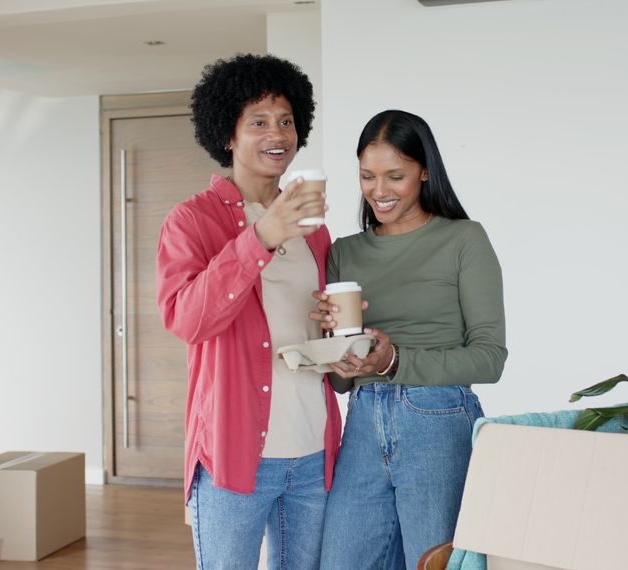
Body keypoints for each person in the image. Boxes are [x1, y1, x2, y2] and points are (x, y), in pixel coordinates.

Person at [155, 53, 340, 570]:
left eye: (285, 120)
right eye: (257, 121)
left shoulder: (317, 229)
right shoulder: (190, 221)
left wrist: (339, 329)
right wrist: (260, 237)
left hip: (312, 453)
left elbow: (309, 326)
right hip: (233, 456)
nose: (276, 132)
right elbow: (187, 319)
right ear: (227, 135)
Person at [311, 110, 508, 569]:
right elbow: (341, 381)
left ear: (424, 171)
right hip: (362, 422)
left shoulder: (464, 240)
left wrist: (394, 360)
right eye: (367, 176)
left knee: (432, 561)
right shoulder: (344, 251)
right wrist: (337, 361)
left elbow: (490, 358)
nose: (380, 191)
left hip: (436, 420)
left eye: (395, 176)